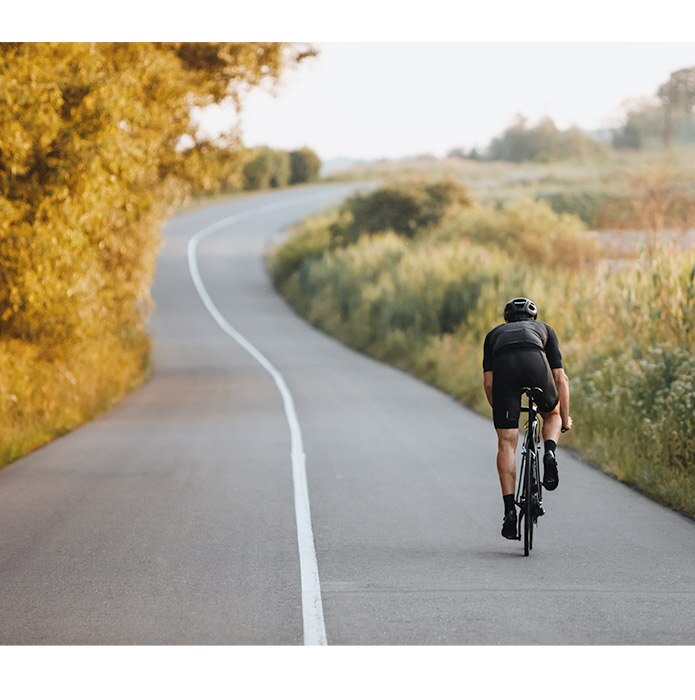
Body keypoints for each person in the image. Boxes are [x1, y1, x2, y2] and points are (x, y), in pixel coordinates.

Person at [482, 297, 573, 540]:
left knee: (507, 443)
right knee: (550, 413)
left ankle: (510, 512)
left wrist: (501, 412)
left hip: (506, 369)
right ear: (533, 317)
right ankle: (549, 453)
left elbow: (489, 383)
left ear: (506, 319)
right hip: (535, 363)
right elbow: (560, 378)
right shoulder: (545, 329)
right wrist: (564, 418)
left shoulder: (494, 334)